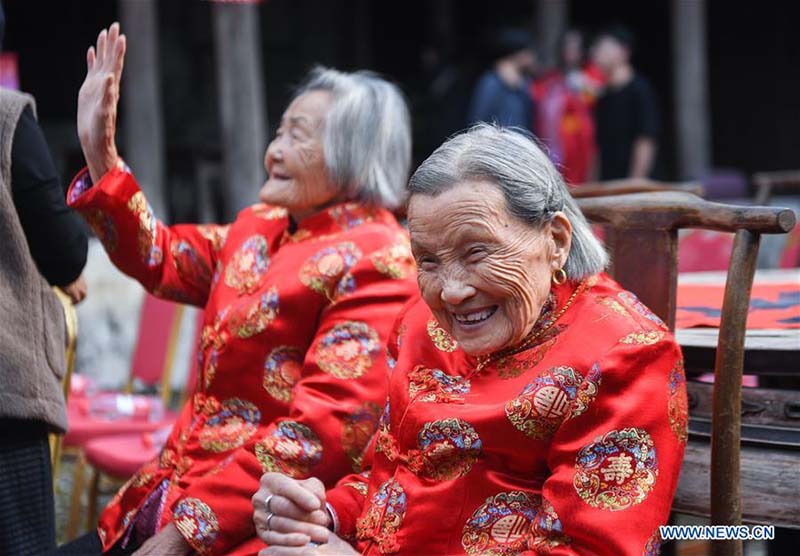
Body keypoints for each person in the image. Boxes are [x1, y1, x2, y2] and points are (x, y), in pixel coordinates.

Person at [59, 24, 418, 555]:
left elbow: (321, 433)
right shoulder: (260, 224)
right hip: (165, 490)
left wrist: (188, 532)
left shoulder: (380, 258)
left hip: (245, 522)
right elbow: (161, 256)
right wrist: (101, 156)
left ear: (354, 154)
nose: (273, 152)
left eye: (297, 137)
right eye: (279, 132)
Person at [252, 125, 687, 556]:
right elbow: (391, 477)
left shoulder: (623, 355)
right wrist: (323, 513)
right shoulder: (421, 324)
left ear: (555, 240)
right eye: (428, 260)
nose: (452, 291)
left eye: (476, 252)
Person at [532, 29, 604, 185]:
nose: (570, 51)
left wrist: (584, 84)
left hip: (581, 144)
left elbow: (598, 97)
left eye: (575, 47)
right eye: (567, 46)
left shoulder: (591, 74)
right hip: (552, 145)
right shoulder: (551, 78)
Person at [592, 25, 659, 180]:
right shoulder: (603, 95)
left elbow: (646, 139)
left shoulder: (640, 90)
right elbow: (598, 146)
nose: (596, 52)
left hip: (634, 185)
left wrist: (635, 181)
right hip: (608, 182)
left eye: (603, 47)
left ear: (624, 51)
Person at [467, 28, 538, 132]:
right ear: (516, 54)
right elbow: (477, 121)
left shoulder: (525, 82)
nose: (532, 58)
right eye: (527, 53)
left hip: (521, 140)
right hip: (498, 140)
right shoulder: (492, 82)